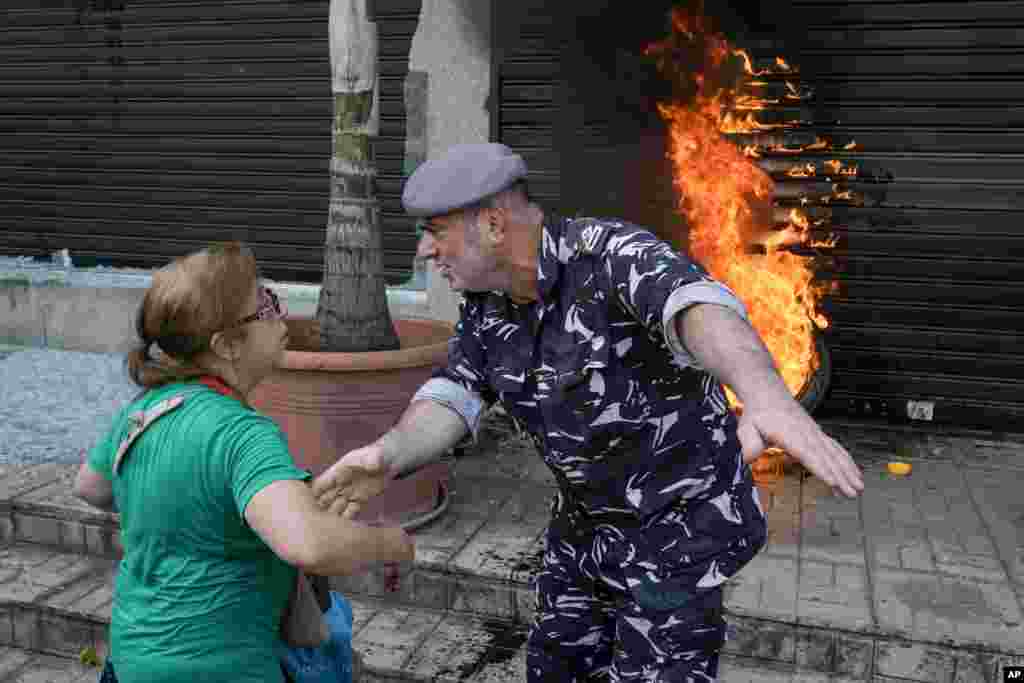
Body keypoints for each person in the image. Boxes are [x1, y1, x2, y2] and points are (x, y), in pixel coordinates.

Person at [311, 143, 865, 682]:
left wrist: (763, 392)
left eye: (435, 232)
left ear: (494, 226)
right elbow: (457, 392)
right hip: (584, 532)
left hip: (675, 533)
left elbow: (693, 305)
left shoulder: (609, 256)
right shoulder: (488, 304)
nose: (425, 253)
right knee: (555, 667)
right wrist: (388, 455)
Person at [72, 243, 414, 683]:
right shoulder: (243, 433)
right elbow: (307, 544)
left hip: (131, 663)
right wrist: (390, 544)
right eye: (265, 306)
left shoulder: (143, 412)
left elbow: (90, 486)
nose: (281, 314)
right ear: (228, 345)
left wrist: (204, 515)